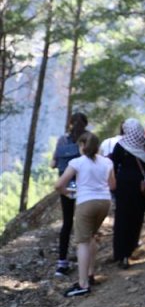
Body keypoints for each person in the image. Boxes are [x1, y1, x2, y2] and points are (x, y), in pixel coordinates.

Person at [54, 132, 115, 297]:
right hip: (104, 202)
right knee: (91, 236)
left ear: (82, 146)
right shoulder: (107, 162)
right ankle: (90, 273)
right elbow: (112, 185)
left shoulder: (77, 162)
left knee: (82, 242)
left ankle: (82, 284)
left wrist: (69, 193)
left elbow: (59, 185)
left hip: (86, 202)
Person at [111, 118, 145, 269]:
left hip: (123, 186)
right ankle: (131, 247)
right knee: (136, 217)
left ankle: (121, 254)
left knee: (122, 218)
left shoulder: (121, 146)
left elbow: (113, 166)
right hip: (141, 187)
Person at [50, 112, 89, 277]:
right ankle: (86, 262)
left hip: (66, 185)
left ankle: (62, 263)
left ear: (70, 123)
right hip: (84, 185)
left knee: (67, 223)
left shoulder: (62, 140)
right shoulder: (89, 139)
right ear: (86, 124)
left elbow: (53, 164)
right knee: (85, 223)